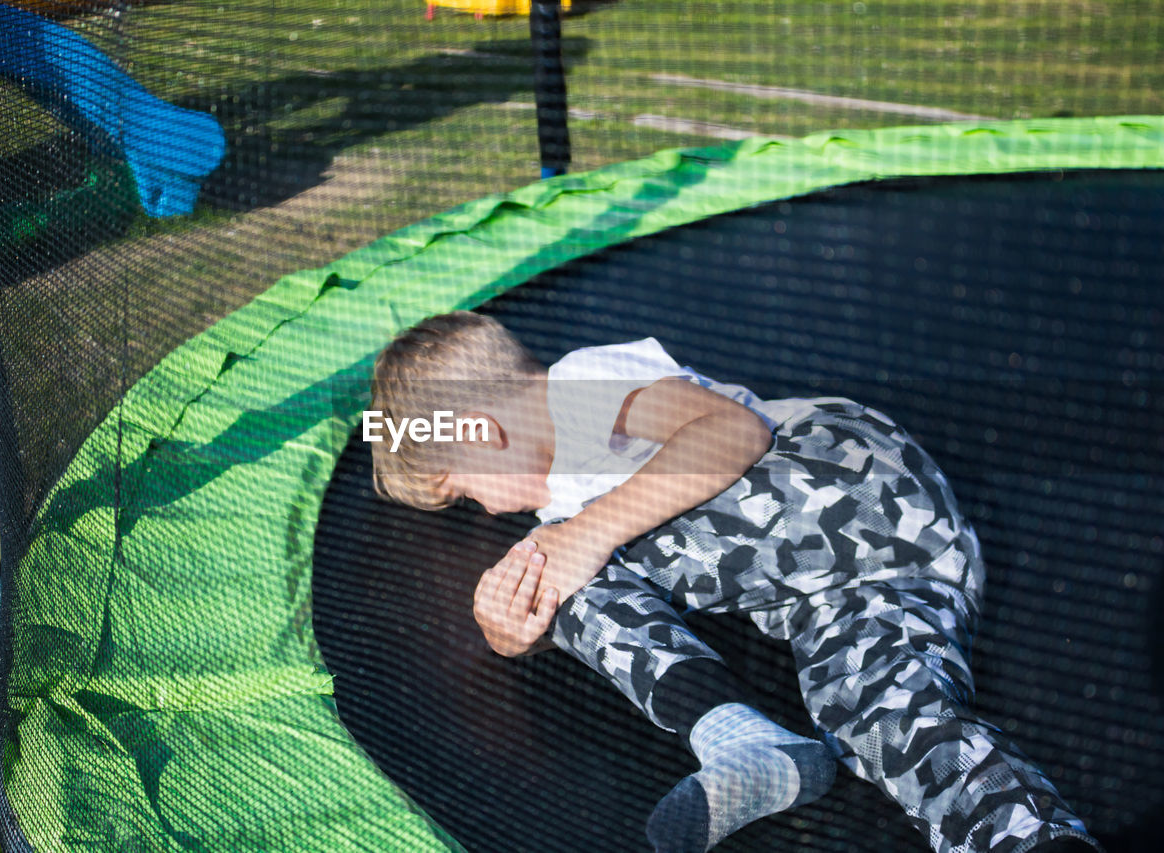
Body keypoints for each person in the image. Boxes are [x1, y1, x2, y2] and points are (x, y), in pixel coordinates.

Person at [368, 310, 1101, 853]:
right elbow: (578, 575)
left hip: (847, 484)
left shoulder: (581, 386)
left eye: (464, 493)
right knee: (878, 719)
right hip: (865, 591)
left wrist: (576, 540)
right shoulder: (566, 517)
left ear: (480, 435)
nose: (485, 511)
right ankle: (1024, 836)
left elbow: (730, 434)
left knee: (562, 554)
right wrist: (513, 631)